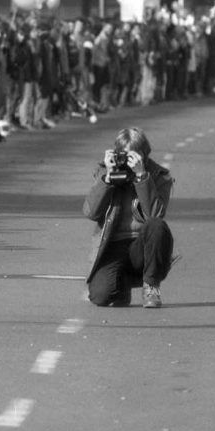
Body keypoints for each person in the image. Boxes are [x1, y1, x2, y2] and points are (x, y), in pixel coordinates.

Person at [83, 127, 174, 309]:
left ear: (144, 154)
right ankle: (121, 285)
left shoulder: (158, 176)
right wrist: (107, 180)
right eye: (123, 155)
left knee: (157, 225)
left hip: (142, 245)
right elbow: (91, 212)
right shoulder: (105, 171)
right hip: (113, 245)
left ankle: (151, 286)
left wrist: (141, 177)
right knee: (100, 297)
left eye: (133, 155)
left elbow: (155, 215)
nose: (127, 161)